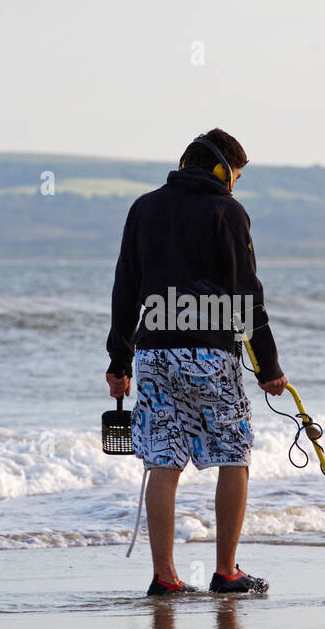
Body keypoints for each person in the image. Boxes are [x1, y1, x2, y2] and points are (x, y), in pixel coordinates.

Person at [105, 129, 287, 596]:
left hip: (153, 353)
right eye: (236, 177)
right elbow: (247, 294)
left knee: (163, 460)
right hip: (210, 354)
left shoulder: (144, 208)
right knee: (234, 454)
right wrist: (268, 366)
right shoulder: (227, 212)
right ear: (222, 170)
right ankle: (226, 572)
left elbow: (125, 289)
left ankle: (164, 577)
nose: (235, 186)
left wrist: (118, 361)